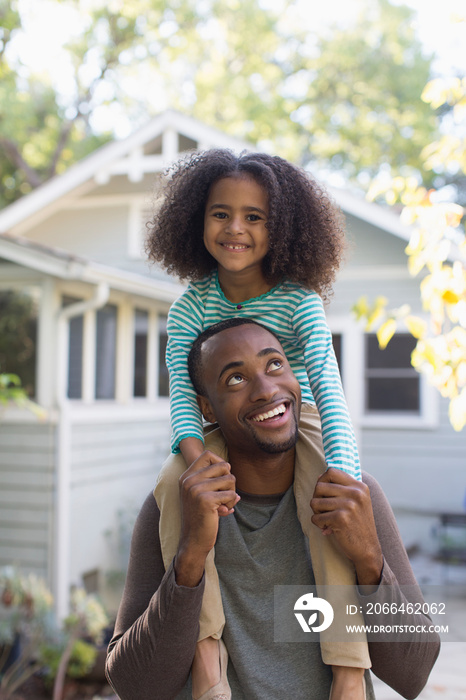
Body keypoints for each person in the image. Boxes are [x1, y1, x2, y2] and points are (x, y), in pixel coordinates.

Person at [105, 319, 441, 700]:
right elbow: (135, 686)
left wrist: (369, 559)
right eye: (235, 379)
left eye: (275, 365)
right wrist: (191, 556)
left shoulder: (353, 496)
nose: (266, 390)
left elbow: (413, 674)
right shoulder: (174, 506)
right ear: (206, 409)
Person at [147, 149, 368, 700]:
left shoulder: (300, 302)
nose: (236, 229)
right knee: (178, 484)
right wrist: (201, 467)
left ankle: (346, 665)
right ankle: (207, 658)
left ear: (283, 226)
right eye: (221, 214)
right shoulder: (190, 308)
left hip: (298, 420)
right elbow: (181, 400)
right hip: (221, 428)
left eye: (255, 216)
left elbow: (327, 390)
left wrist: (344, 471)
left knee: (328, 496)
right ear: (197, 220)